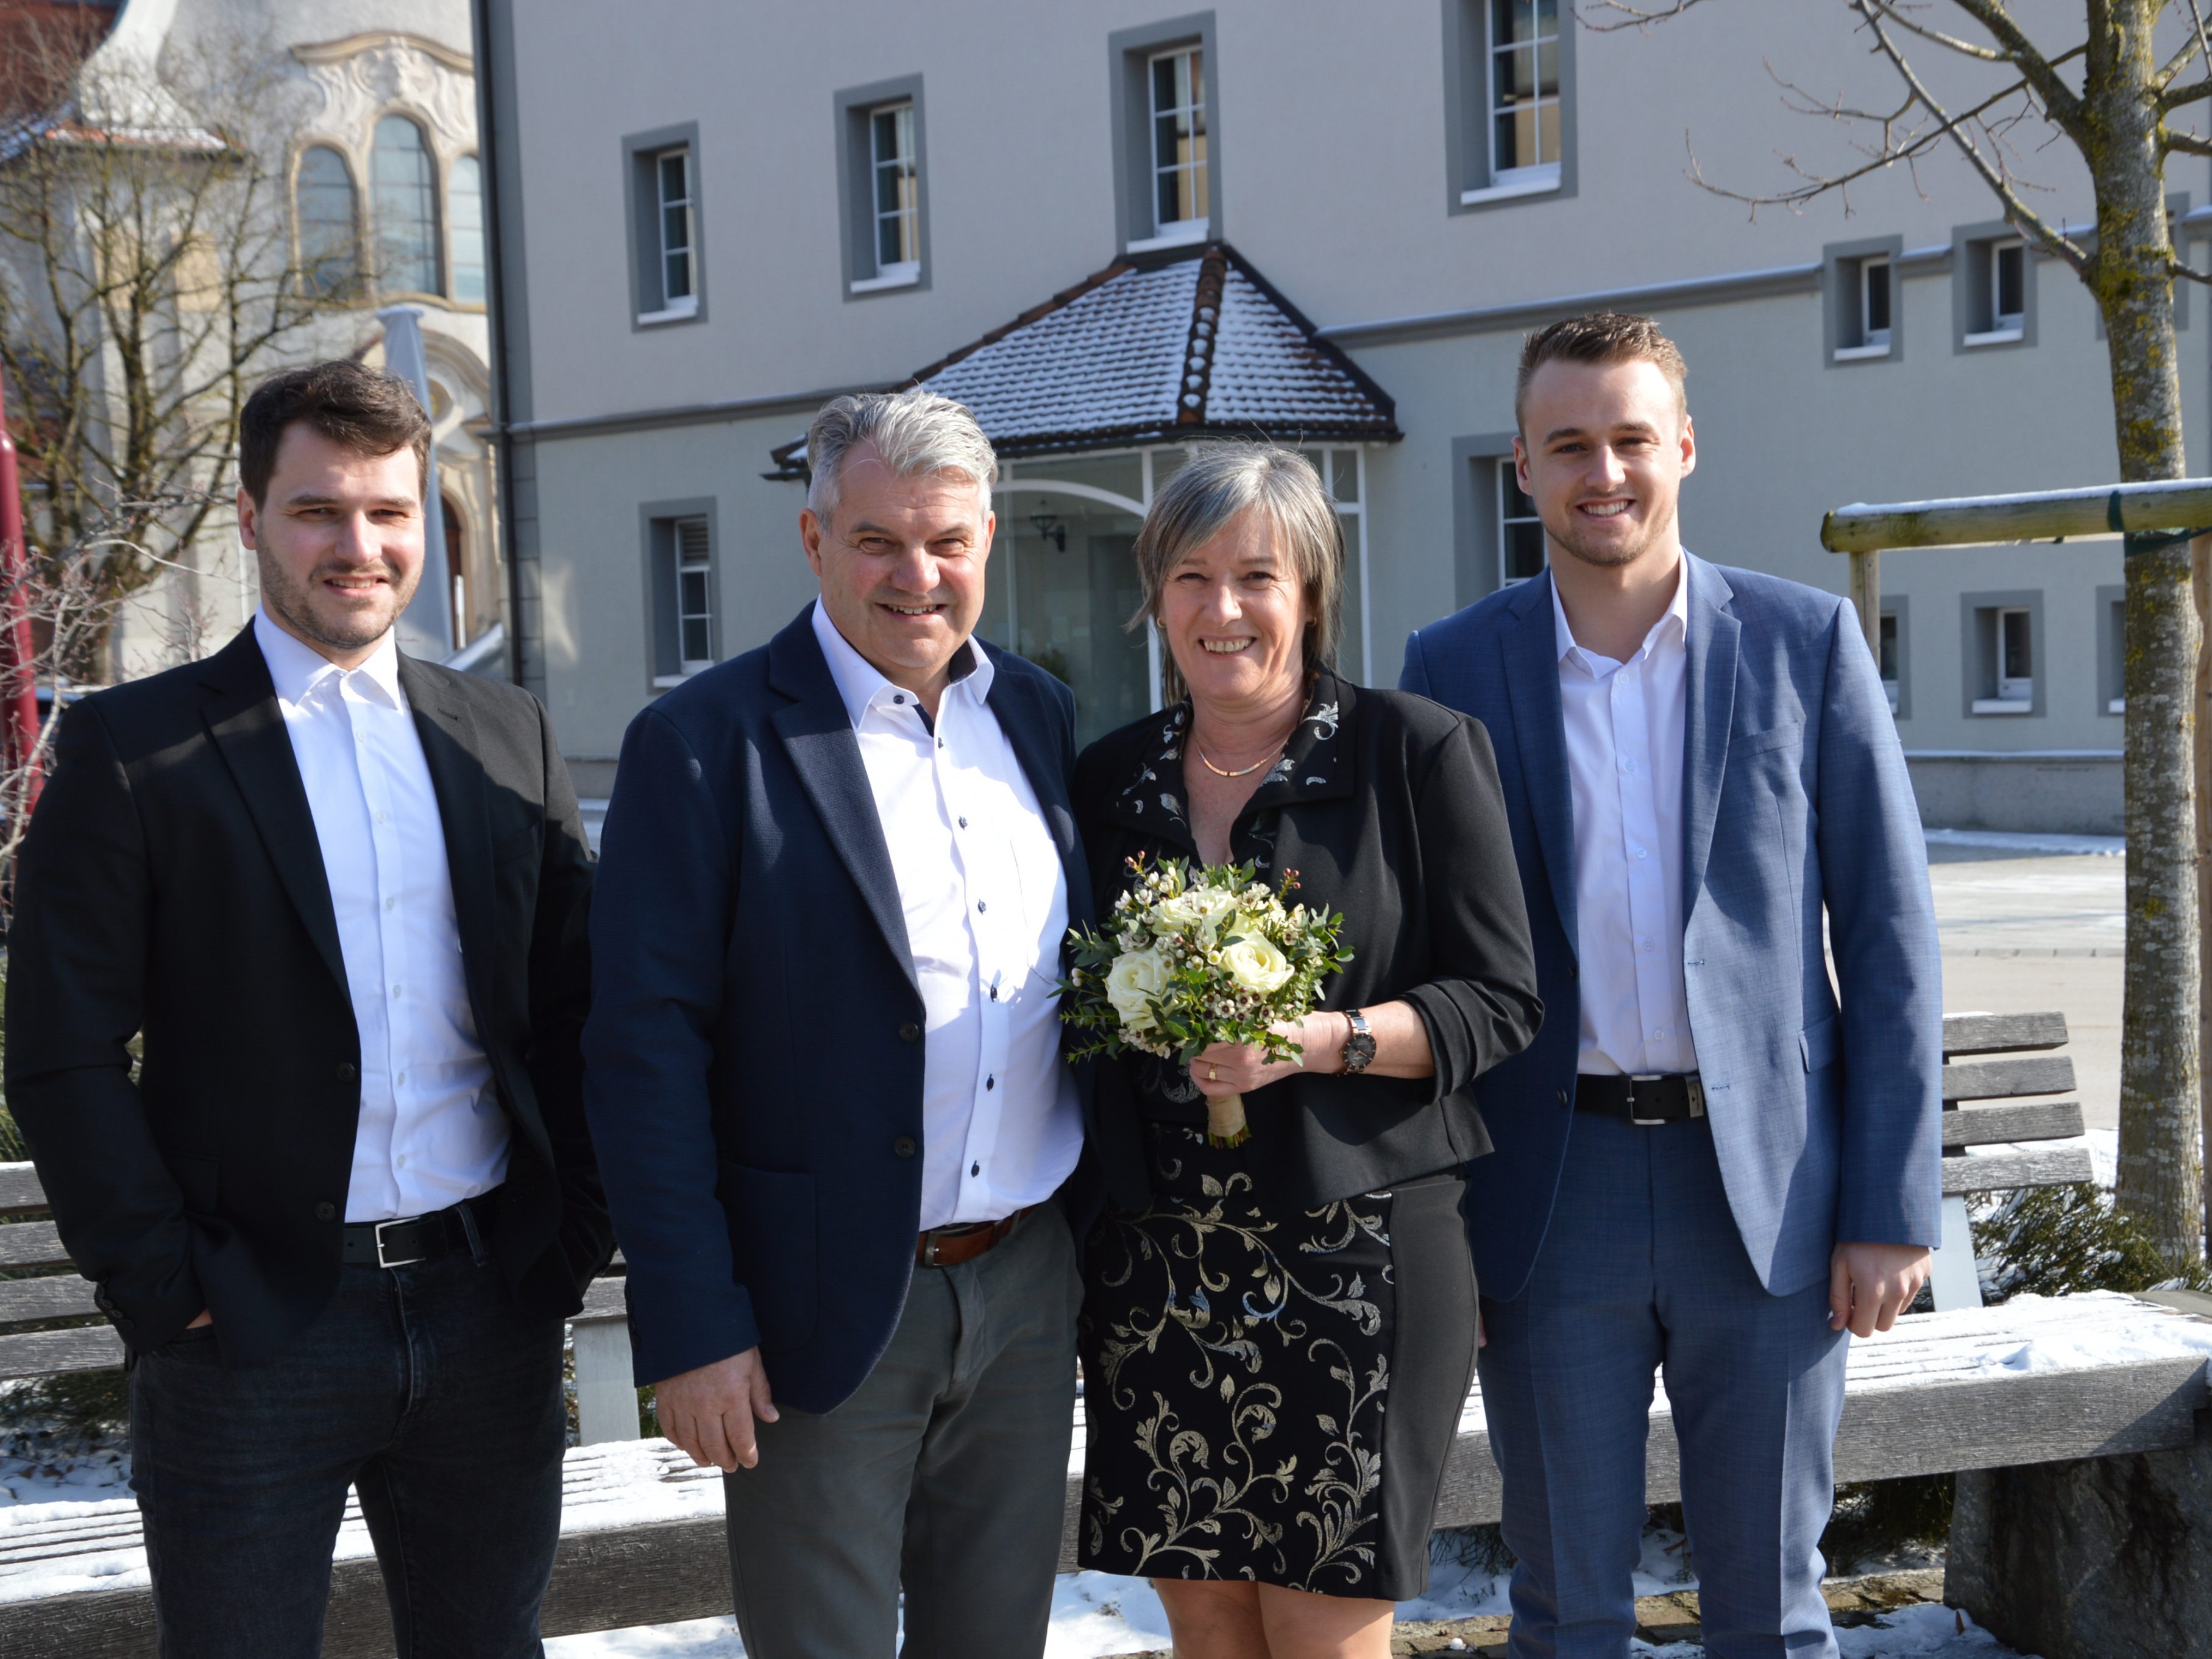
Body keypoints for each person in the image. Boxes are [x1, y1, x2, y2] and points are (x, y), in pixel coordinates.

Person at [5, 359, 610, 1657]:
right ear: (250, 518)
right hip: (251, 1332)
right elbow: (61, 1051)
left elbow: (577, 1008)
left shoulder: (507, 735)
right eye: (319, 511)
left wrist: (566, 1242)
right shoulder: (133, 752)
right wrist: (164, 1286)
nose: (361, 546)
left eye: (391, 512)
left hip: (484, 1304)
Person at [1400, 312, 1943, 1659]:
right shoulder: (1451, 669)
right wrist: (1435, 1234)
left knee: (1772, 1607)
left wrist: (1889, 1201)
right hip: (1547, 1194)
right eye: (1569, 444)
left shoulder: (1804, 642)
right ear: (1521, 467)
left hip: (1765, 1197)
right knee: (1566, 1609)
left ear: (1684, 448)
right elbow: (1421, 968)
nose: (1606, 472)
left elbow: (1887, 937)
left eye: (1632, 439)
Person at [581, 389, 1093, 1659]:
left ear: (987, 539)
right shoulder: (702, 746)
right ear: (815, 541)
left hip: (1028, 1285)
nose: (917, 575)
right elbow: (644, 1055)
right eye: (878, 540)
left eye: (949, 542)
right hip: (815, 1304)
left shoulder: (1034, 715)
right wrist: (694, 1326)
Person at [1071, 445, 1544, 1659]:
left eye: (1256, 576)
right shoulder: (1105, 781)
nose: (1222, 610)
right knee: (1211, 1631)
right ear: (1155, 594)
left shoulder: (1413, 753)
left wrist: (1322, 1039)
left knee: (1327, 1634)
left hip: (1359, 1263)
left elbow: (1500, 1004)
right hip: (1157, 1271)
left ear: (1311, 592)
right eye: (1190, 575)